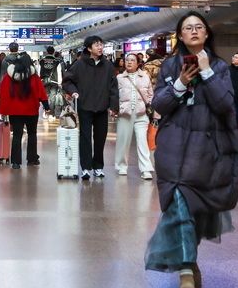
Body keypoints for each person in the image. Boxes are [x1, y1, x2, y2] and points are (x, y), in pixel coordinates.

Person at [145, 12, 238, 288]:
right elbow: (159, 104)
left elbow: (225, 105)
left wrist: (207, 73)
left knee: (196, 212)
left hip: (206, 151)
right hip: (174, 149)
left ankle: (190, 260)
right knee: (178, 205)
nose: (194, 31)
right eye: (188, 28)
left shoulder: (219, 67)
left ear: (207, 33)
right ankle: (186, 272)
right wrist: (179, 83)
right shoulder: (169, 65)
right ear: (180, 35)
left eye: (199, 27)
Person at [62, 35, 119, 180]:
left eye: (101, 44)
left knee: (100, 138)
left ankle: (98, 166)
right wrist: (74, 92)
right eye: (96, 45)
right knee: (85, 137)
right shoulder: (79, 65)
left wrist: (113, 106)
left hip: (102, 107)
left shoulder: (107, 65)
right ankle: (86, 167)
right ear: (89, 48)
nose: (100, 47)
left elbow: (113, 87)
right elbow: (67, 81)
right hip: (85, 106)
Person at [0, 53, 49, 169]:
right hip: (31, 110)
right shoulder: (34, 78)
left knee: (17, 135)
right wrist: (47, 107)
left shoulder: (8, 77)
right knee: (32, 134)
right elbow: (42, 94)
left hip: (14, 111)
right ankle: (32, 159)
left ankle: (16, 162)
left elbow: (2, 93)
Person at [115, 53, 155, 180]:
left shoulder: (145, 77)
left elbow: (150, 95)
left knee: (142, 141)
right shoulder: (119, 78)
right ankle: (122, 166)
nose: (129, 62)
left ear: (138, 63)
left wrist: (153, 111)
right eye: (127, 60)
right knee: (123, 141)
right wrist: (115, 108)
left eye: (132, 60)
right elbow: (114, 95)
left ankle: (146, 169)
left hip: (141, 114)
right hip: (124, 114)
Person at [38, 46, 65, 120]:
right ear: (53, 52)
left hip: (44, 81)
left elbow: (38, 72)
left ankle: (46, 110)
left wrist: (38, 82)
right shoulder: (57, 62)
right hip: (54, 82)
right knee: (53, 98)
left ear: (47, 52)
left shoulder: (41, 61)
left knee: (45, 97)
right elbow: (59, 73)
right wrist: (59, 83)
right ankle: (51, 114)